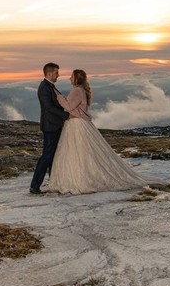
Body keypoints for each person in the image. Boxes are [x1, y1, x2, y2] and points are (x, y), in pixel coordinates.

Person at [48, 69, 147, 195]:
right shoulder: (81, 90)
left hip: (76, 124)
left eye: (71, 76)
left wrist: (59, 96)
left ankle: (80, 179)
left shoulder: (77, 91)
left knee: (77, 152)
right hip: (77, 123)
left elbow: (68, 107)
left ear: (76, 79)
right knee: (81, 152)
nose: (69, 78)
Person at [29, 62, 71, 194]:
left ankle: (54, 181)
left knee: (53, 155)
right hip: (50, 126)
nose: (58, 75)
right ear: (49, 73)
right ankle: (35, 186)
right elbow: (48, 108)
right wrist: (66, 115)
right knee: (47, 156)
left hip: (54, 125)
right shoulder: (44, 87)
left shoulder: (50, 86)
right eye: (56, 73)